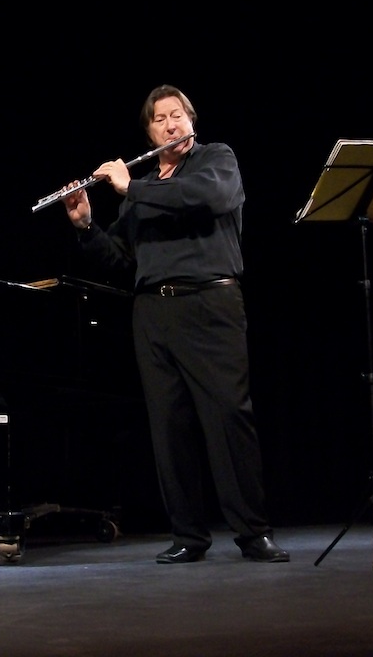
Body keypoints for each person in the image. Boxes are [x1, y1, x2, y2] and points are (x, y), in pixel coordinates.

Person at [60, 84, 289, 563]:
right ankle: (188, 535)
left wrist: (132, 187)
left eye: (177, 115)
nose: (170, 124)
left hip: (211, 305)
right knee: (170, 427)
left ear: (192, 121)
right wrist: (86, 226)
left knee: (228, 418)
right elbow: (123, 261)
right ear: (149, 131)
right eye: (160, 119)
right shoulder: (138, 197)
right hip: (154, 315)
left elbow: (207, 197)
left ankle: (252, 532)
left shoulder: (214, 160)